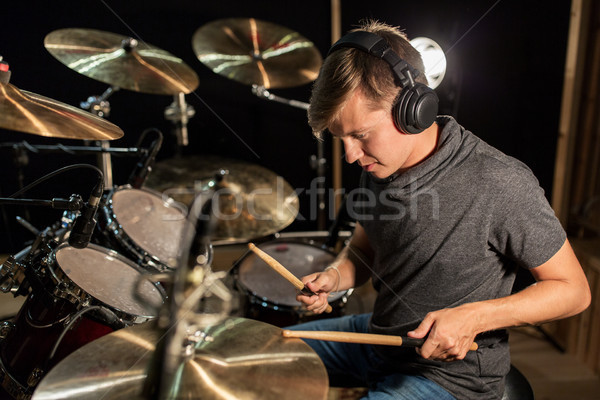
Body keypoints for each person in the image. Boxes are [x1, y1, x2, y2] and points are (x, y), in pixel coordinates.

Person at [290, 20, 591, 400]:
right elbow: (365, 250)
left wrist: (474, 317)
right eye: (342, 138)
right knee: (253, 353)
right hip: (382, 340)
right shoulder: (379, 165)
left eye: (360, 135)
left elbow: (573, 291)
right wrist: (334, 277)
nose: (350, 155)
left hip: (449, 376)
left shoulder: (499, 181)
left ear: (411, 109)